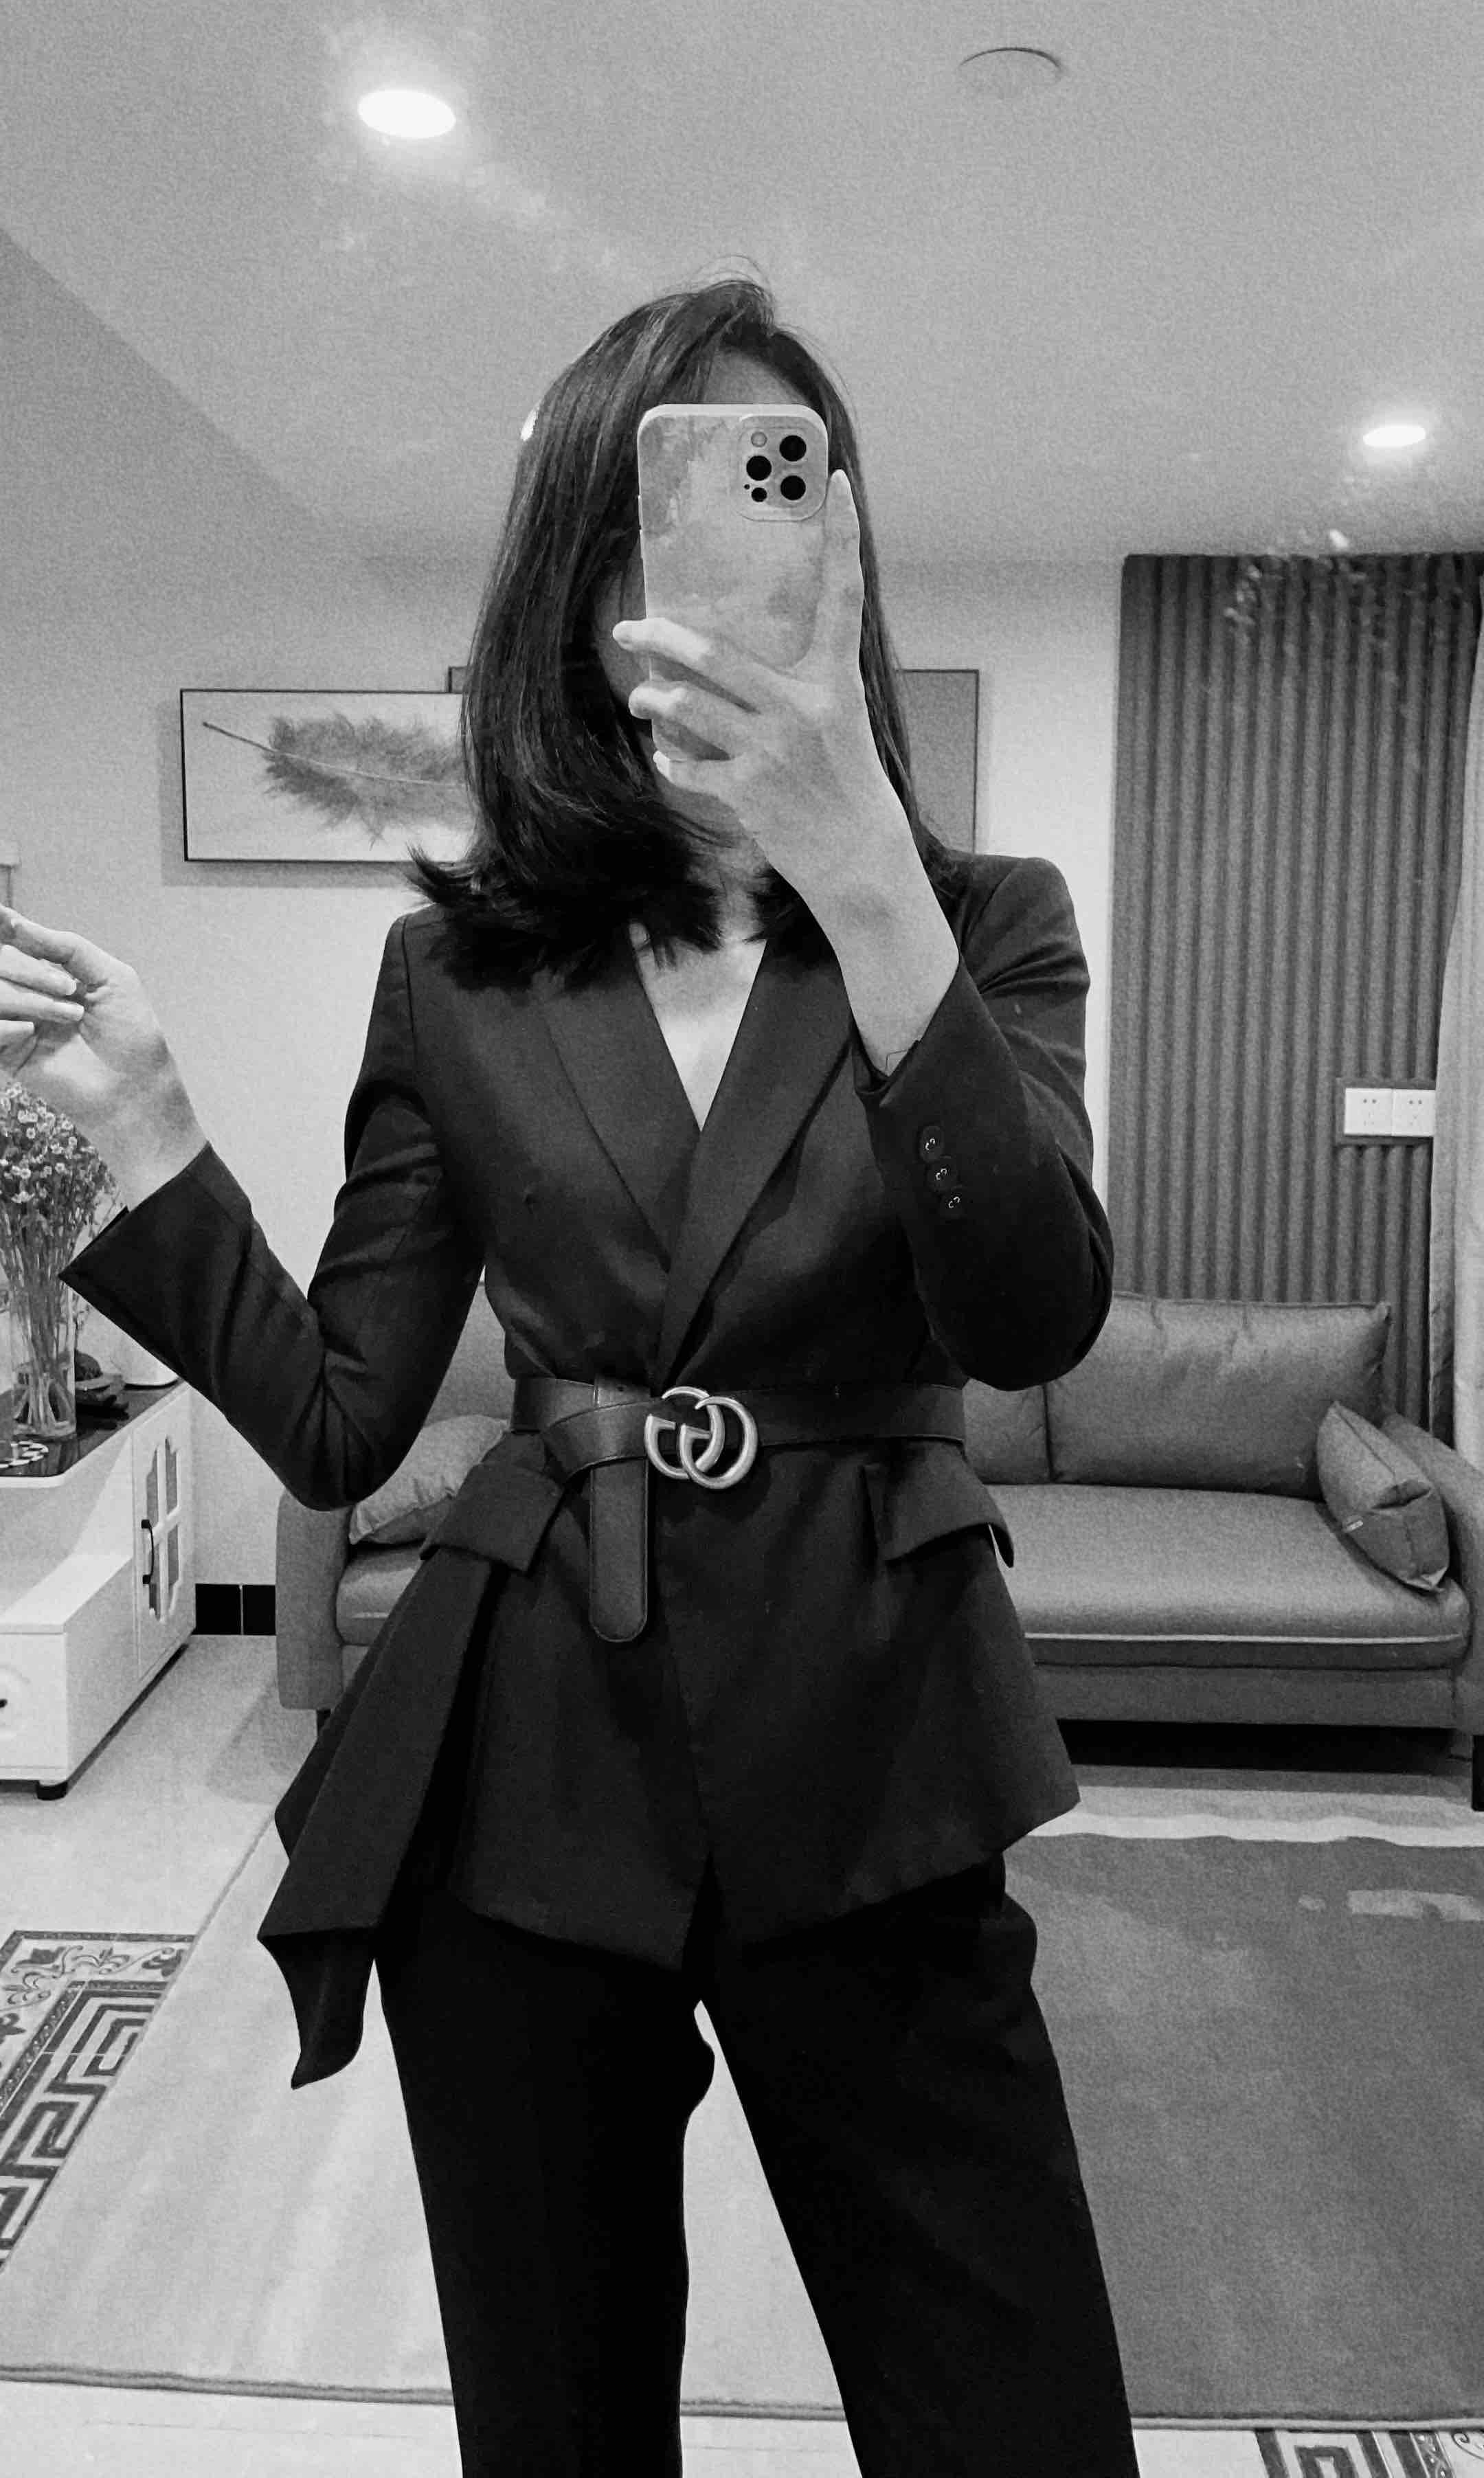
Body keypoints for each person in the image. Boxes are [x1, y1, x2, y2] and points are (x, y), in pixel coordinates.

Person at [3, 274, 1140, 2477]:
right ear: (577, 599)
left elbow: (1032, 1317)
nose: (728, 575)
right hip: (528, 1791)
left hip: (878, 1763)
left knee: (1016, 2428)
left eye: (787, 501)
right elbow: (345, 1418)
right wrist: (148, 1134)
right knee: (558, 2433)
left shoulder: (984, 920)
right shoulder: (460, 973)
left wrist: (865, 879)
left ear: (848, 563)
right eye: (662, 518)